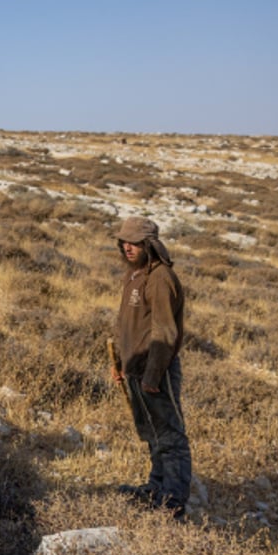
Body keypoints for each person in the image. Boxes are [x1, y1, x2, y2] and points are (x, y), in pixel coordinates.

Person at [110, 216, 192, 520]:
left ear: (150, 245)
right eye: (123, 242)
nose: (128, 248)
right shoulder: (133, 274)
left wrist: (153, 375)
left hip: (155, 371)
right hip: (135, 369)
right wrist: (120, 364)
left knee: (170, 437)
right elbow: (129, 325)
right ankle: (156, 489)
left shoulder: (161, 278)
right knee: (152, 434)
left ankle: (172, 505)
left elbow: (165, 333)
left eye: (134, 243)